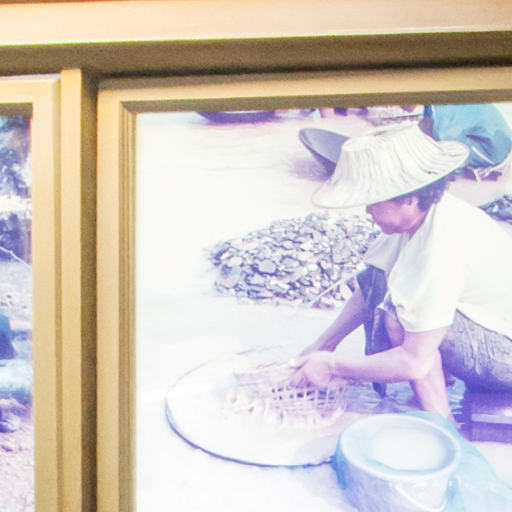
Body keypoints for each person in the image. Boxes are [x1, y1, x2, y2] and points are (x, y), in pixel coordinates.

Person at [296, 122, 512, 420]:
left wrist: (332, 366)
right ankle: (438, 384)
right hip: (488, 324)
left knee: (399, 314)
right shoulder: (420, 217)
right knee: (382, 281)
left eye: (373, 202)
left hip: (505, 356)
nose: (367, 212)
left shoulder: (440, 247)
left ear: (408, 198)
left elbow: (413, 361)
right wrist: (322, 345)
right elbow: (370, 287)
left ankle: (441, 421)